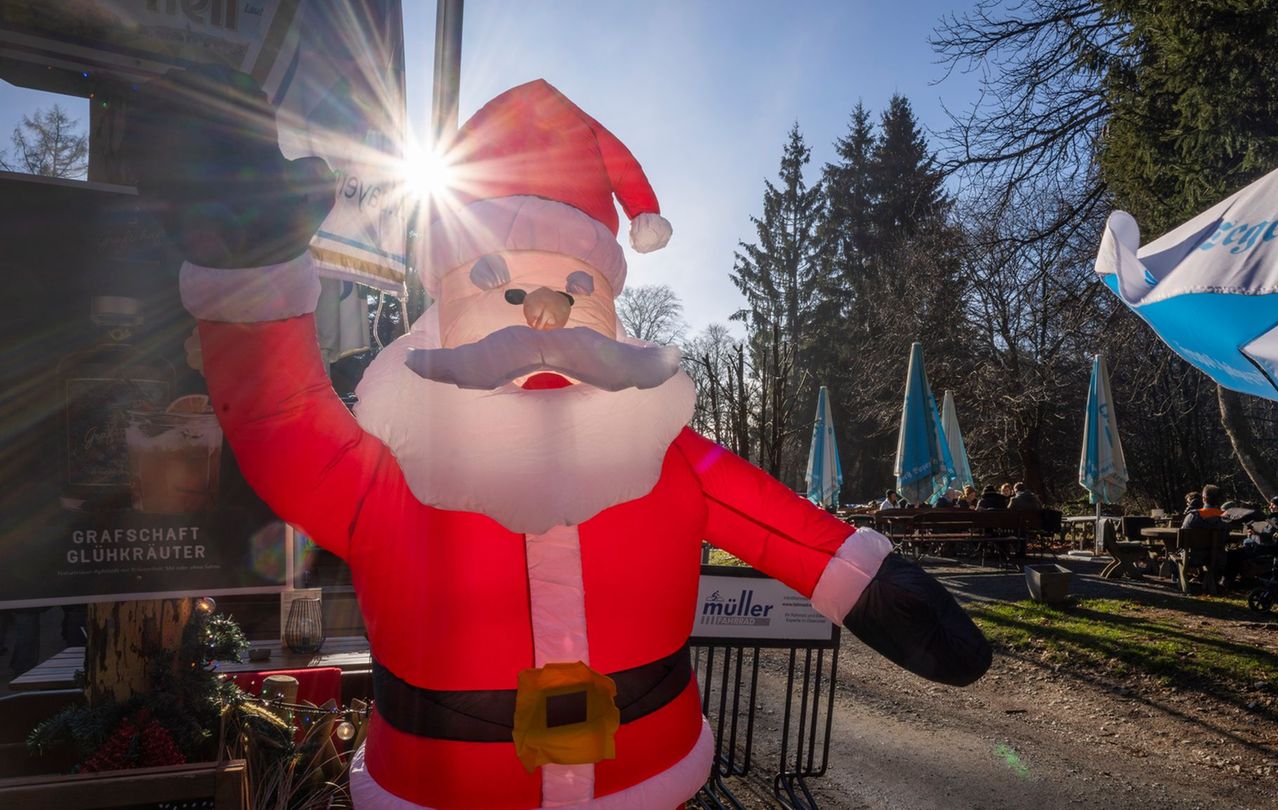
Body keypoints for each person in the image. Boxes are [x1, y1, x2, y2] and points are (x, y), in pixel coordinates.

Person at [135, 70, 992, 808]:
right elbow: (281, 423)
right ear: (444, 308)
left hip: (645, 778)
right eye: (501, 286)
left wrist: (877, 590)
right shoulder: (391, 462)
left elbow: (783, 528)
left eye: (574, 288)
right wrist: (249, 274)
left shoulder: (665, 452)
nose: (543, 313)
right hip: (447, 787)